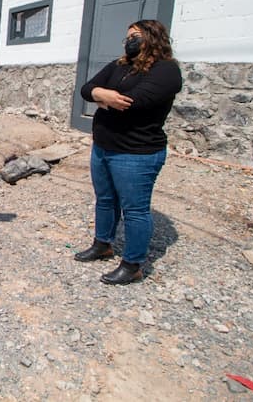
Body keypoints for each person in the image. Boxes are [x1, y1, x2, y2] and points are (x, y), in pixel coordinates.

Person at [75, 19, 182, 285]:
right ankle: (103, 244)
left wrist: (103, 99)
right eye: (127, 37)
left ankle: (132, 264)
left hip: (136, 153)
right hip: (103, 147)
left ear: (152, 37)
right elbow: (86, 89)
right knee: (105, 200)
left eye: (135, 35)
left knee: (135, 210)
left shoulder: (166, 70)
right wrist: (103, 95)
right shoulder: (120, 65)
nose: (129, 41)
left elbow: (134, 103)